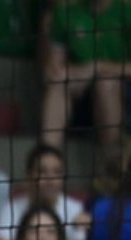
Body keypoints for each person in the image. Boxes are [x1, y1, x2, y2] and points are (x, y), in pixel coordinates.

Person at [41, 0, 129, 153]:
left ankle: (111, 159)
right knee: (59, 81)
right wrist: (60, 73)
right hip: (81, 89)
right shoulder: (66, 11)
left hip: (122, 90)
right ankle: (47, 156)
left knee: (106, 83)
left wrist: (97, 68)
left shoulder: (126, 9)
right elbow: (54, 63)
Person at [0, 144, 90, 240]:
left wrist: (77, 232)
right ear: (29, 176)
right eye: (42, 171)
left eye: (57, 172)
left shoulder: (75, 209)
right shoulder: (10, 210)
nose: (50, 179)